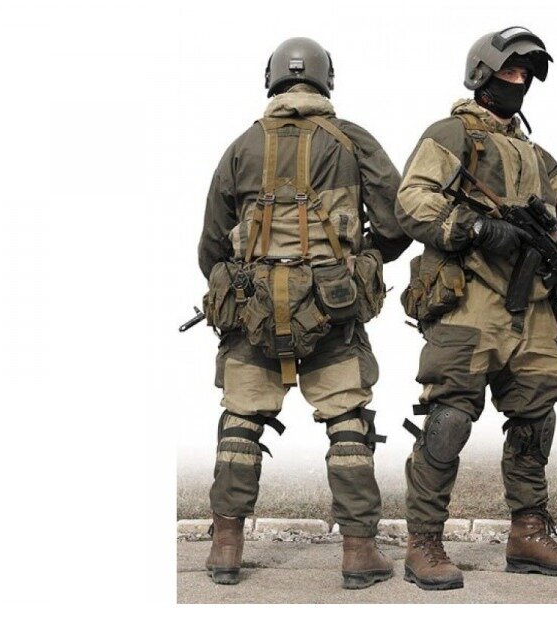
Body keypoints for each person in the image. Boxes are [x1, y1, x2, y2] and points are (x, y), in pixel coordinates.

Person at [395, 26, 557, 590]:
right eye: (509, 71)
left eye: (525, 75)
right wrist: (475, 228)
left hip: (535, 310)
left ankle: (528, 533)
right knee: (448, 419)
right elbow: (412, 200)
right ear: (482, 75)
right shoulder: (451, 135)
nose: (518, 82)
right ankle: (424, 543)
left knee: (535, 420)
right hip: (469, 305)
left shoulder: (540, 158)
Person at [197, 37, 410, 589]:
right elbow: (397, 222)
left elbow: (211, 246)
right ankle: (359, 553)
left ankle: (225, 549)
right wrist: (361, 260)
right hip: (333, 310)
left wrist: (249, 279)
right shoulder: (352, 139)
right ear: (325, 80)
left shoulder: (241, 145)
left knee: (240, 422)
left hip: (252, 313)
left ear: (271, 80)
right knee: (348, 422)